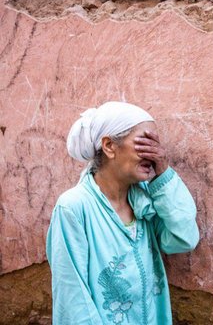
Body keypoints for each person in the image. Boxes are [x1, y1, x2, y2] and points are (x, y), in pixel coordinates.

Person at [46, 101, 199, 325]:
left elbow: (183, 238)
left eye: (156, 145)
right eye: (145, 143)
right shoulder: (73, 208)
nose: (154, 154)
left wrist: (163, 172)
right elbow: (73, 301)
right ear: (109, 146)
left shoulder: (144, 202)